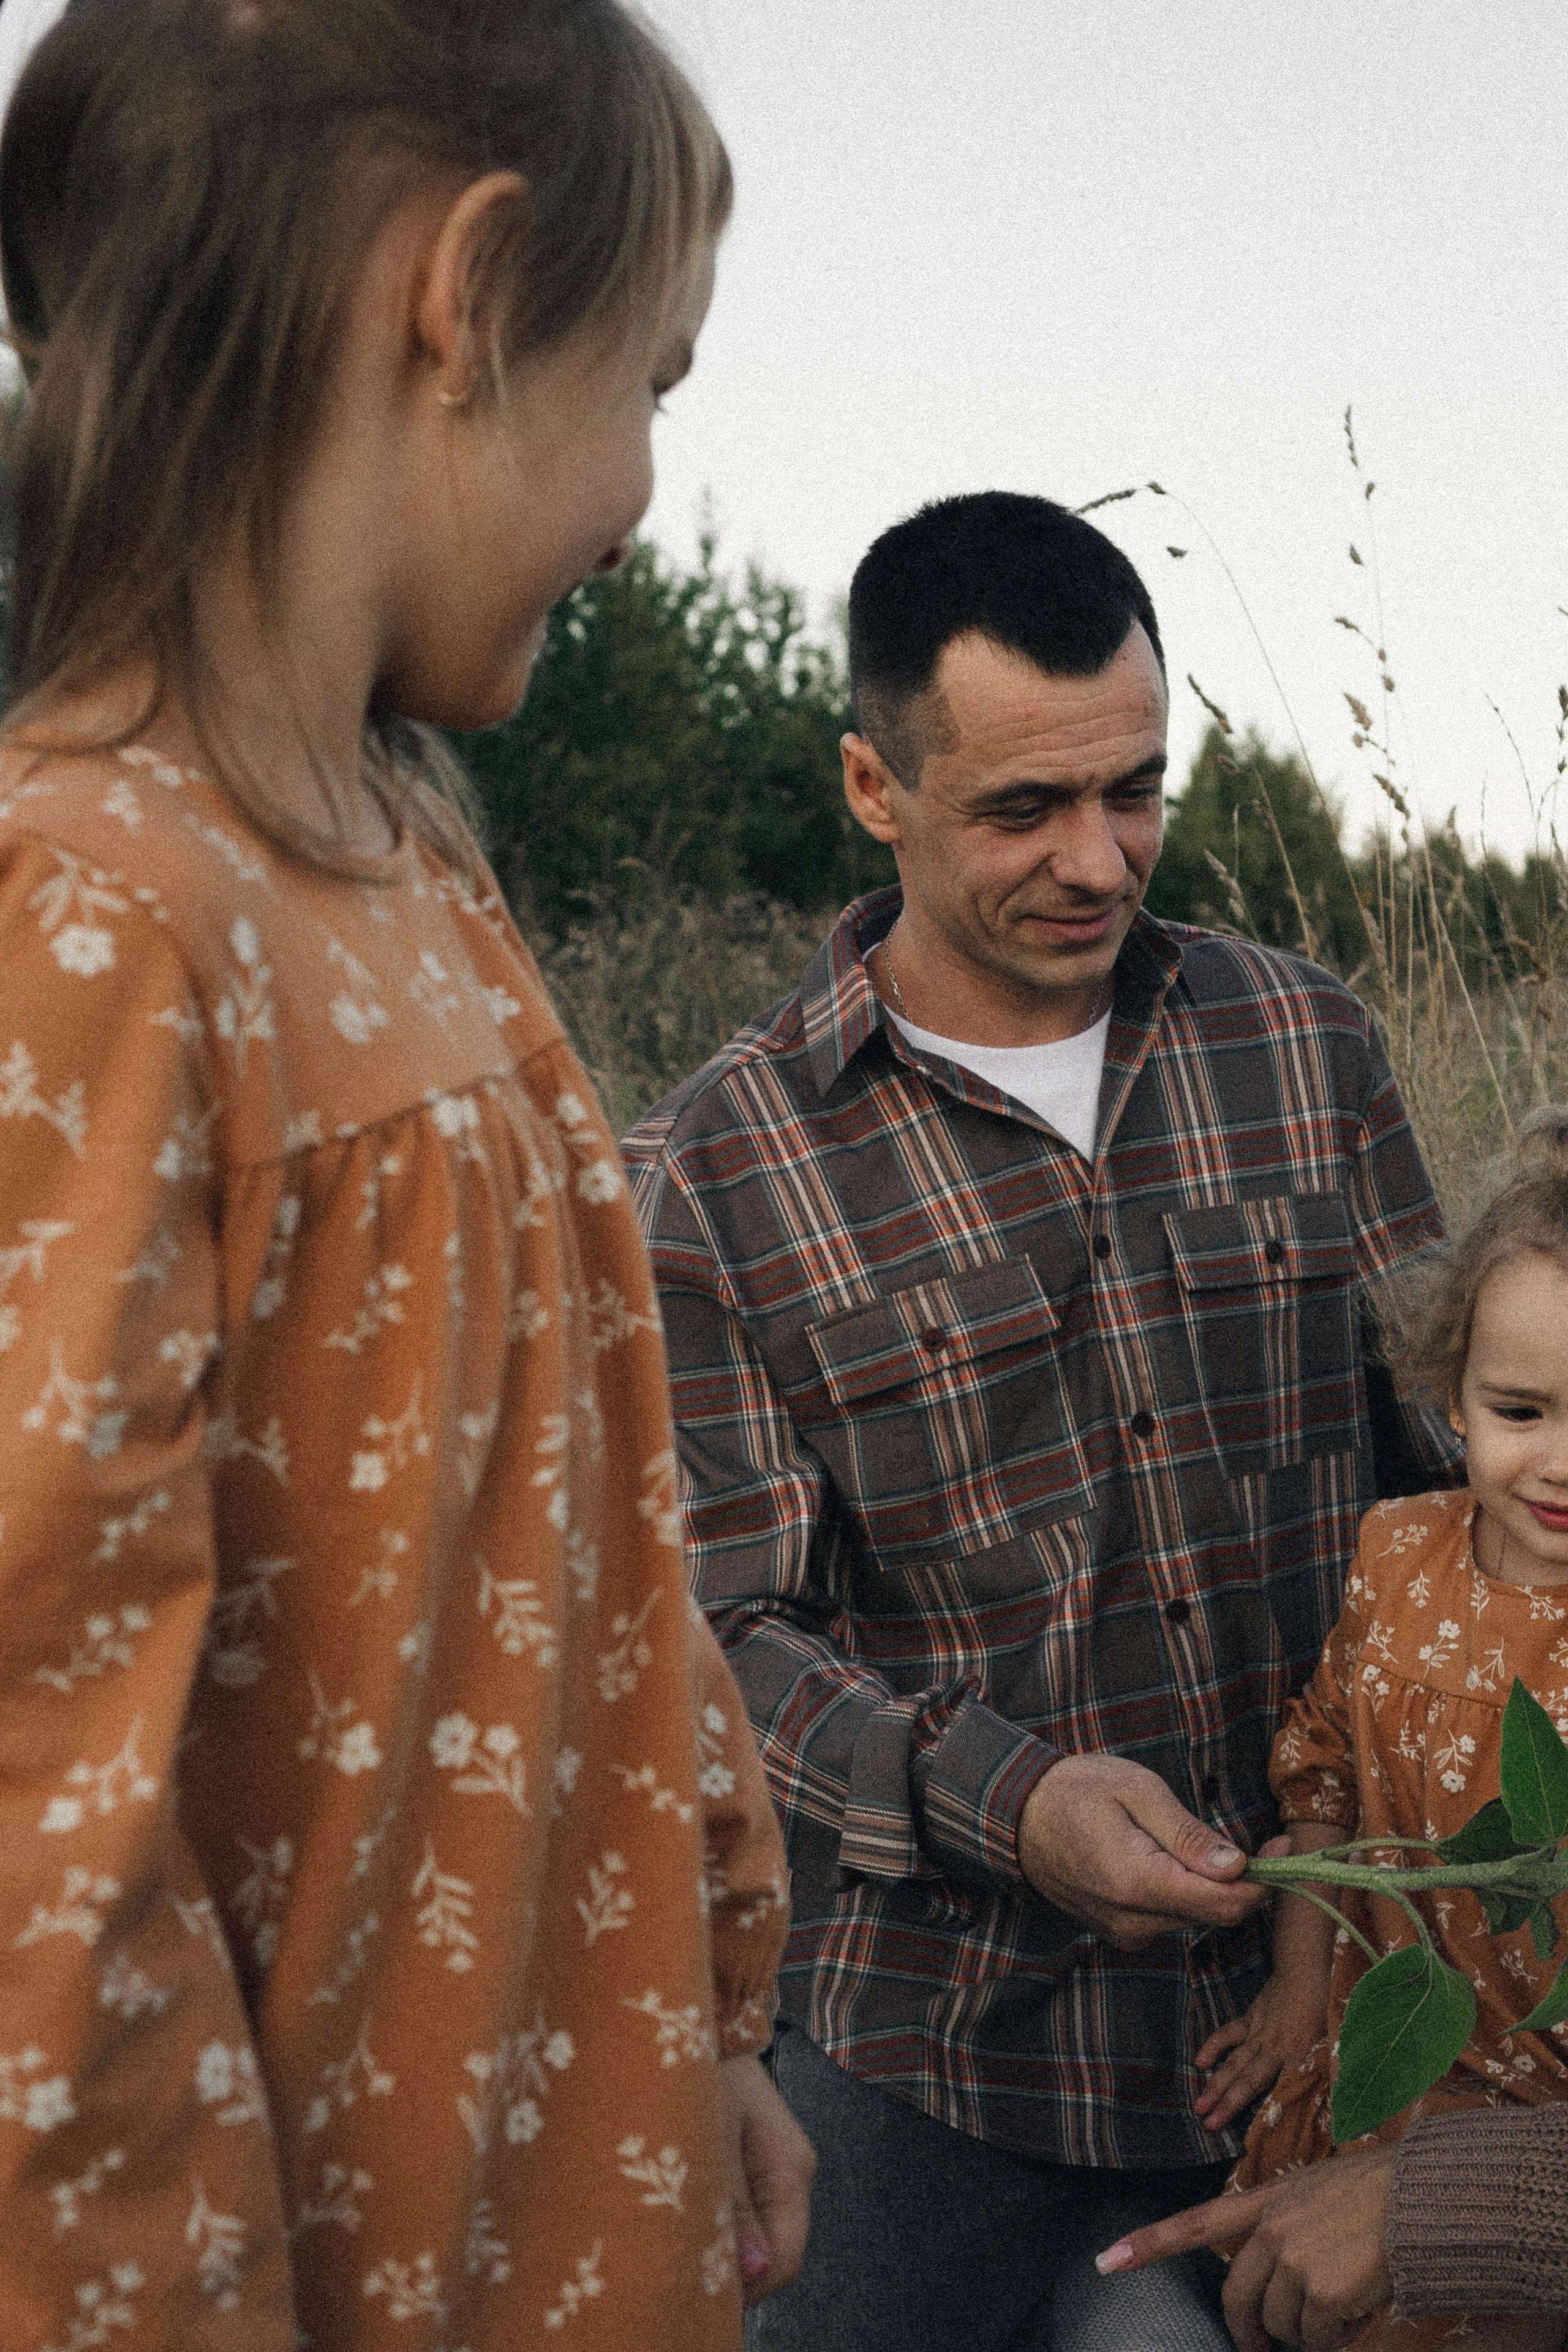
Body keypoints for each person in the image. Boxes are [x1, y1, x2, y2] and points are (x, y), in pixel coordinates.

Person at [0, 1, 815, 2344]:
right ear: (461, 297)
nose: (650, 487)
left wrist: (710, 2007)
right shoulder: (98, 924)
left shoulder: (423, 892)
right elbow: (43, 1837)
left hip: (577, 2199)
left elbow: (602, 1534)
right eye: (652, 380)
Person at [623, 489, 1459, 2351]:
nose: (1099, 860)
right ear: (872, 786)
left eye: (1136, 789)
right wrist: (1018, 1804)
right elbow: (721, 1641)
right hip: (930, 2050)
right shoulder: (718, 1166)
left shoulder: (1304, 1045)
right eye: (1023, 810)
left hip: (1313, 2020)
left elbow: (1449, 1477)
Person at [1101, 1111, 1568, 2348]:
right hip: (1395, 2055)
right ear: (1448, 1395)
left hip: (1543, 2121)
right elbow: (1324, 1784)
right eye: (1519, 1410)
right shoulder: (1396, 1553)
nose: (1555, 1465)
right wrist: (1301, 1984)